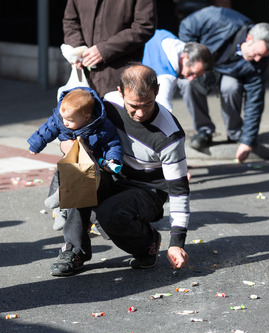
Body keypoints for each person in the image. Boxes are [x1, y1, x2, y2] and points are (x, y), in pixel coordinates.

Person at [49, 64, 190, 276]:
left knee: (109, 215)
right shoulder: (109, 102)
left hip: (148, 191)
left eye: (148, 104)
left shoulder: (169, 135)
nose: (140, 113)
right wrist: (67, 145)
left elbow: (179, 191)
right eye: (134, 105)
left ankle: (147, 243)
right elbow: (71, 126)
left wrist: (177, 242)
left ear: (158, 91)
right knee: (77, 169)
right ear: (120, 91)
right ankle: (74, 250)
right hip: (114, 175)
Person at [178, 6, 269, 163]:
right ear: (249, 39)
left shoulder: (259, 62)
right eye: (257, 53)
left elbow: (255, 100)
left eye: (263, 56)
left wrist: (247, 141)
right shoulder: (221, 19)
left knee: (230, 87)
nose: (258, 59)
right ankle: (204, 131)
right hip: (204, 64)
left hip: (231, 74)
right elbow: (187, 25)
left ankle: (235, 134)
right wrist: (194, 54)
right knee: (186, 84)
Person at [28, 87, 124, 230]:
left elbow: (112, 144)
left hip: (93, 161)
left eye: (70, 120)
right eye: (63, 117)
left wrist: (113, 159)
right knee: (63, 174)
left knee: (84, 185)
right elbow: (46, 129)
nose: (65, 122)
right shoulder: (61, 118)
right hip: (71, 157)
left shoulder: (102, 127)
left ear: (86, 117)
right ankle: (60, 208)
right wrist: (36, 145)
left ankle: (63, 200)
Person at [62, 0, 156, 97]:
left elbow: (144, 26)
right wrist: (78, 49)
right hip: (85, 74)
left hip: (120, 74)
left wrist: (104, 50)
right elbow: (70, 21)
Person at [141, 29, 212, 112]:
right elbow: (163, 112)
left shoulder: (168, 36)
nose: (191, 79)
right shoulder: (165, 77)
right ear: (184, 57)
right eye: (191, 73)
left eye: (196, 75)